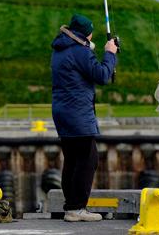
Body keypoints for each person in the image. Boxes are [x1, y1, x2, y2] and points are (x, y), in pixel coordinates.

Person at [50, 14, 118, 222]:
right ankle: (76, 208)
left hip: (63, 112)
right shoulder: (80, 51)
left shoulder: (61, 49)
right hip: (77, 112)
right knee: (88, 159)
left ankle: (71, 206)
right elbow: (102, 75)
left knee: (72, 159)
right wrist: (110, 53)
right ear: (86, 33)